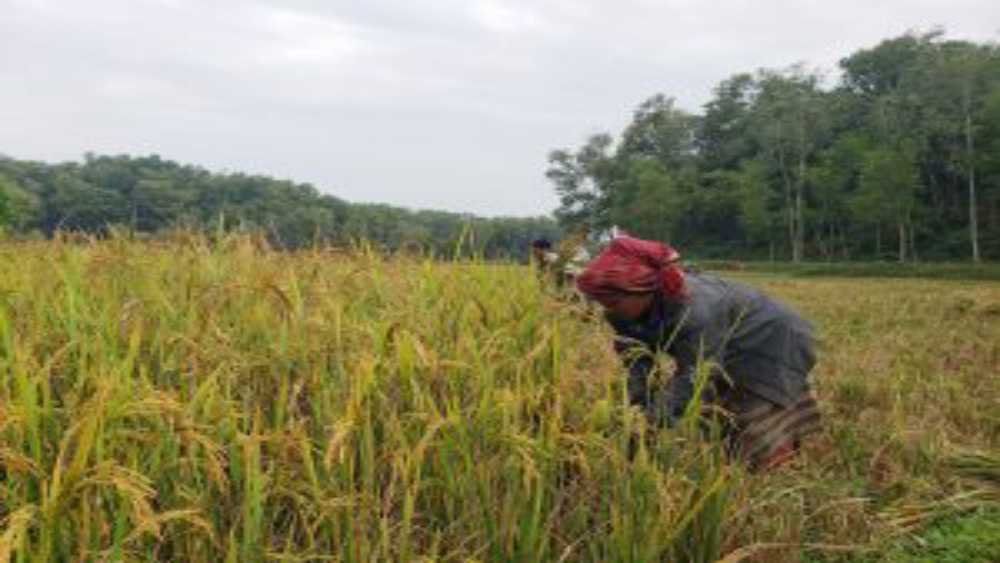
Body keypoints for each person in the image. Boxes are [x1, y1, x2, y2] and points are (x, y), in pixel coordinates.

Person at [575, 236, 820, 470]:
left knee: (754, 407)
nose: (607, 308)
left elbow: (696, 375)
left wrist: (653, 421)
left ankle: (776, 467)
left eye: (615, 300)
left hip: (772, 338)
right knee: (719, 414)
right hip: (726, 337)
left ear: (645, 290)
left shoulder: (695, 311)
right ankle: (740, 460)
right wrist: (635, 413)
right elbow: (637, 365)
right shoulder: (618, 314)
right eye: (602, 301)